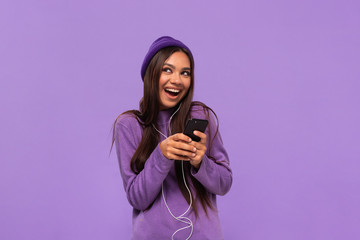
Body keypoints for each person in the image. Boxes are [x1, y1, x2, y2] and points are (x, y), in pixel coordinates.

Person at [111, 36, 232, 240]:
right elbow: (137, 199)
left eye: (185, 73)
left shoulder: (201, 116)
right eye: (167, 70)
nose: (176, 80)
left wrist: (199, 162)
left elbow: (224, 184)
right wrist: (161, 155)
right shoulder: (128, 124)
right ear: (151, 73)